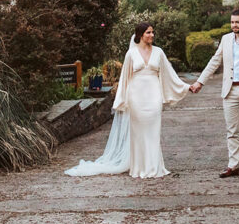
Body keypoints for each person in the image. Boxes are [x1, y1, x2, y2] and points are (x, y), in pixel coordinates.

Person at [65, 23, 190, 178]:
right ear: (140, 35)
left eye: (152, 32)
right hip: (136, 97)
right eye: (148, 32)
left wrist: (185, 87)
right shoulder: (131, 54)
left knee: (153, 131)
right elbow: (125, 78)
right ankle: (138, 167)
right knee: (138, 133)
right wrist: (122, 100)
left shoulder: (159, 53)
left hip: (153, 95)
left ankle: (154, 167)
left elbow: (168, 74)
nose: (152, 35)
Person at [190, 8, 239, 178]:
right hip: (229, 91)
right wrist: (200, 82)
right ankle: (233, 166)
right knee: (232, 131)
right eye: (232, 22)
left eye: (237, 22)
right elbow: (214, 62)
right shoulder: (225, 40)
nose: (234, 25)